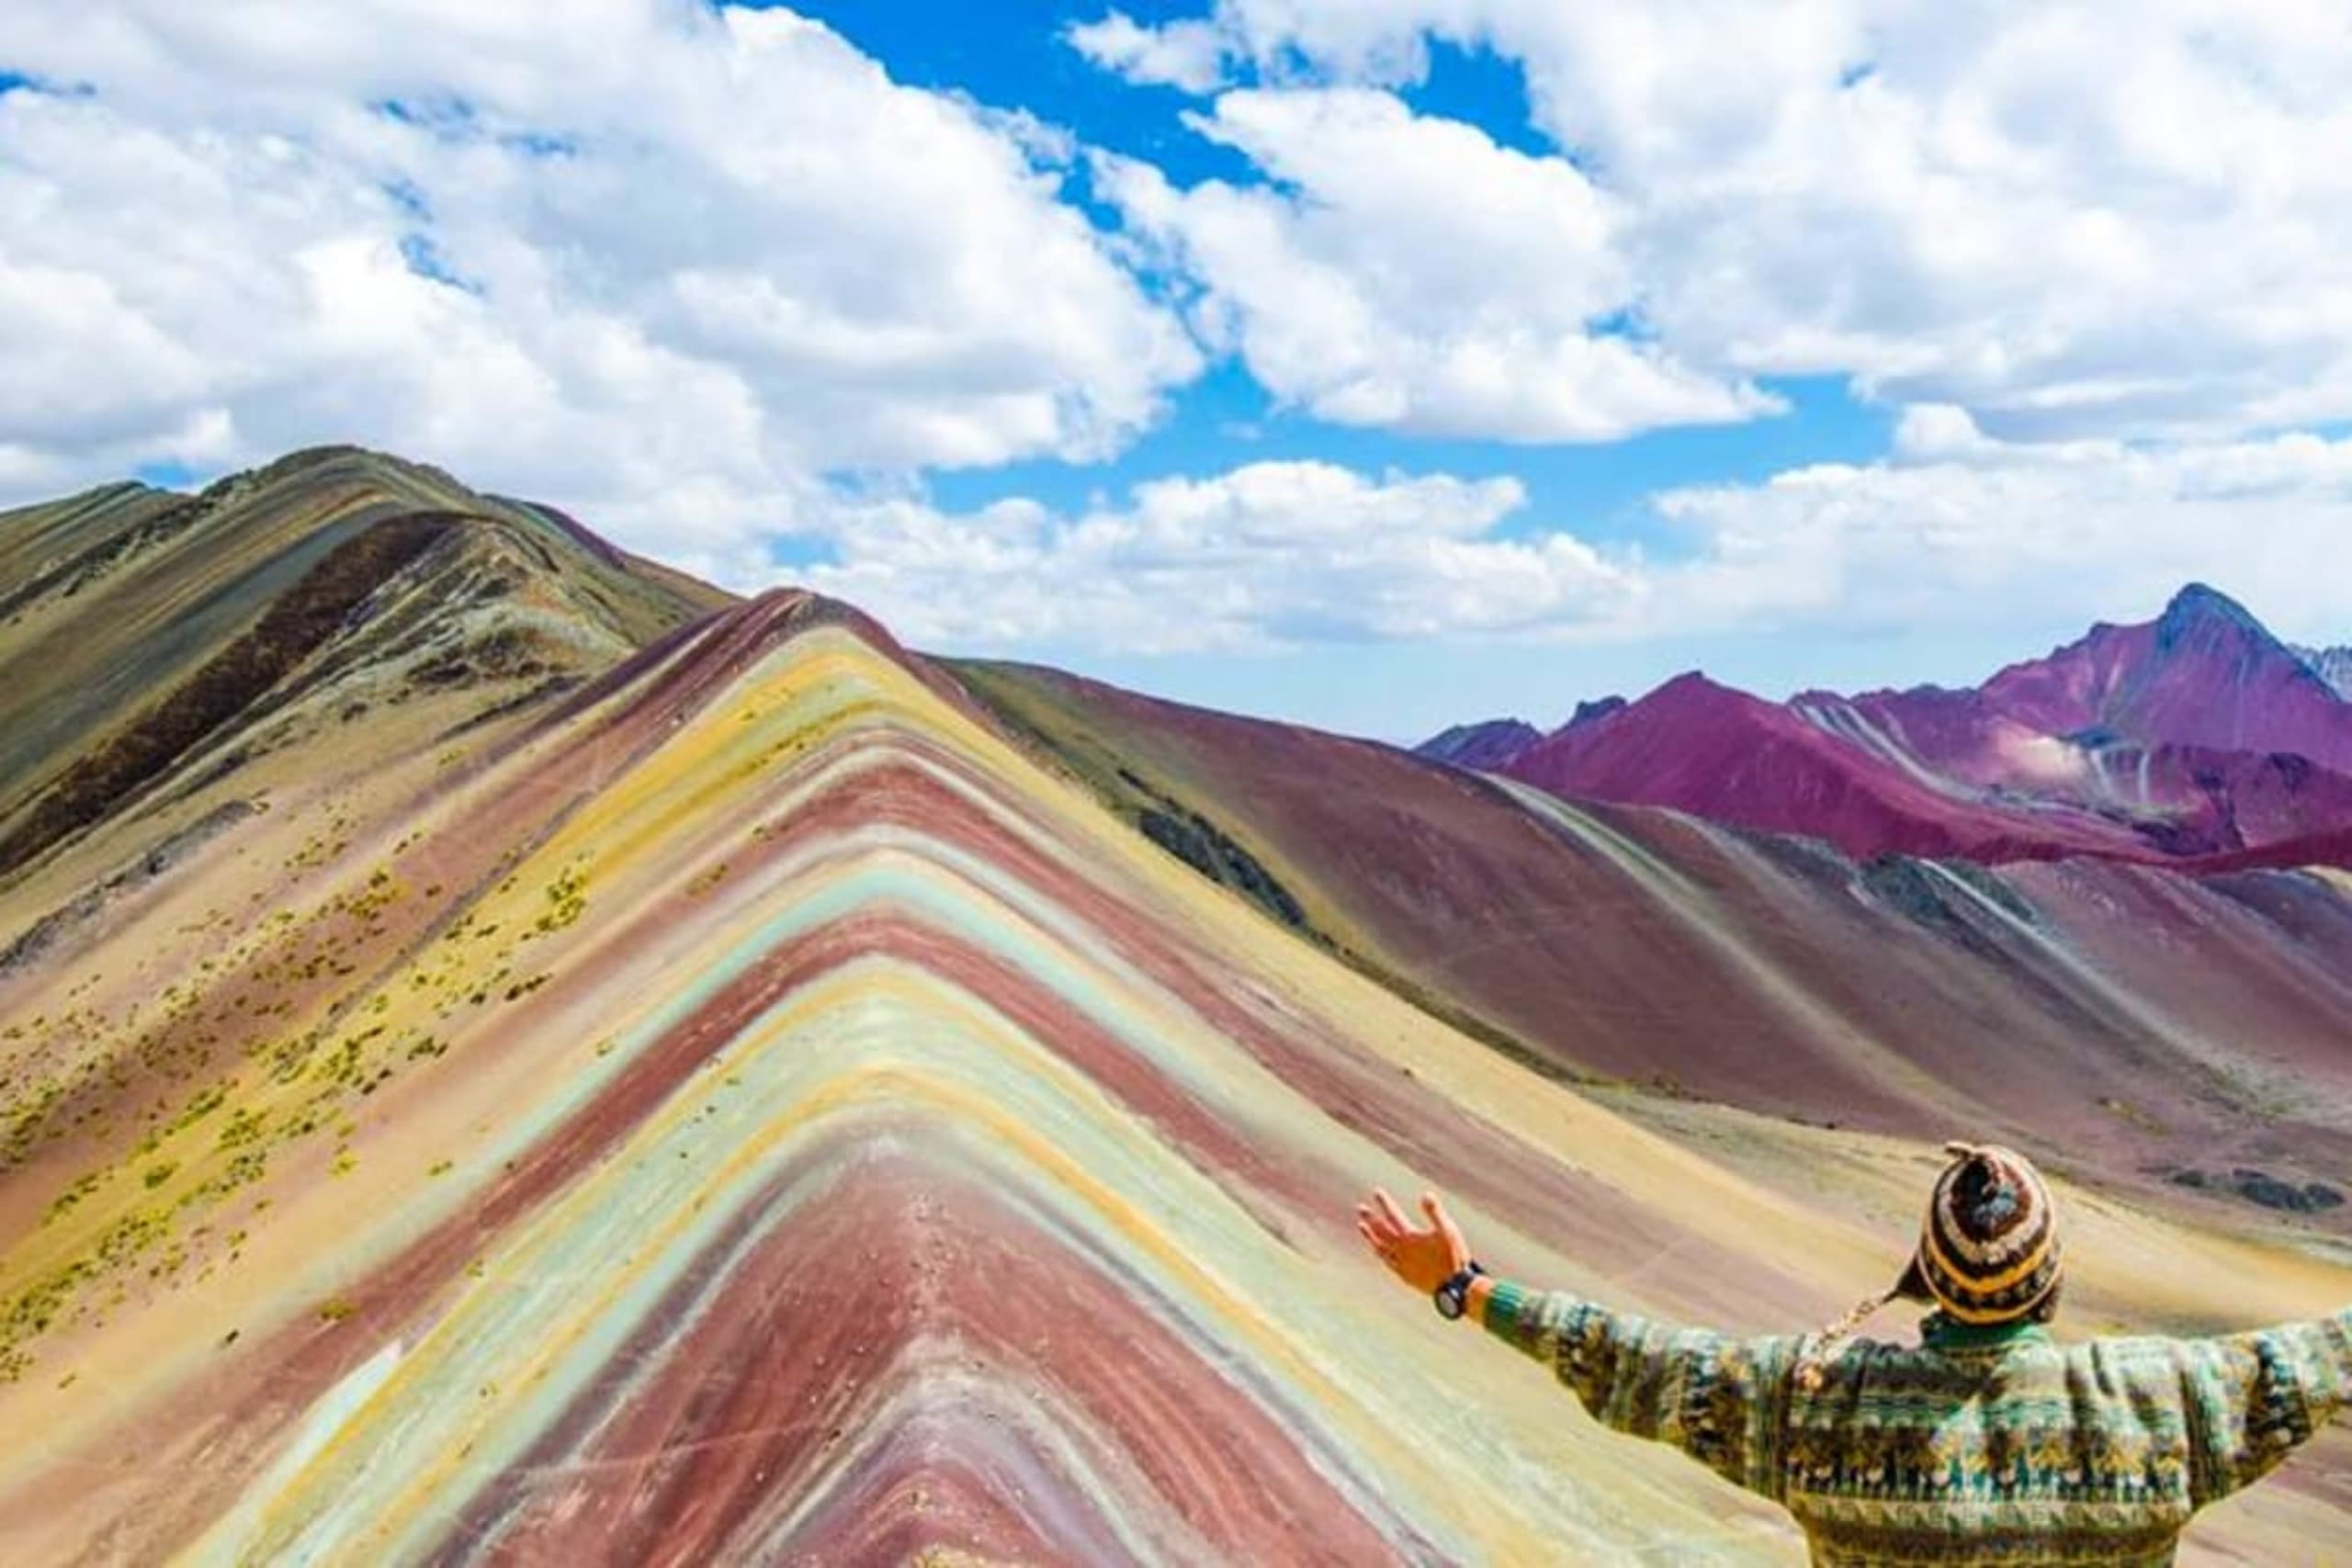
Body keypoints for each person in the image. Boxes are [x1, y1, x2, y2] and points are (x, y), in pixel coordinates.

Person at [1357, 1143, 2352, 1565]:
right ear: (2050, 1280)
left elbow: (1635, 1361)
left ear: (1925, 1270)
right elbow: (2330, 1355)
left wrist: (1467, 1287)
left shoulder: (1818, 1406)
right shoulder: (2162, 1404)